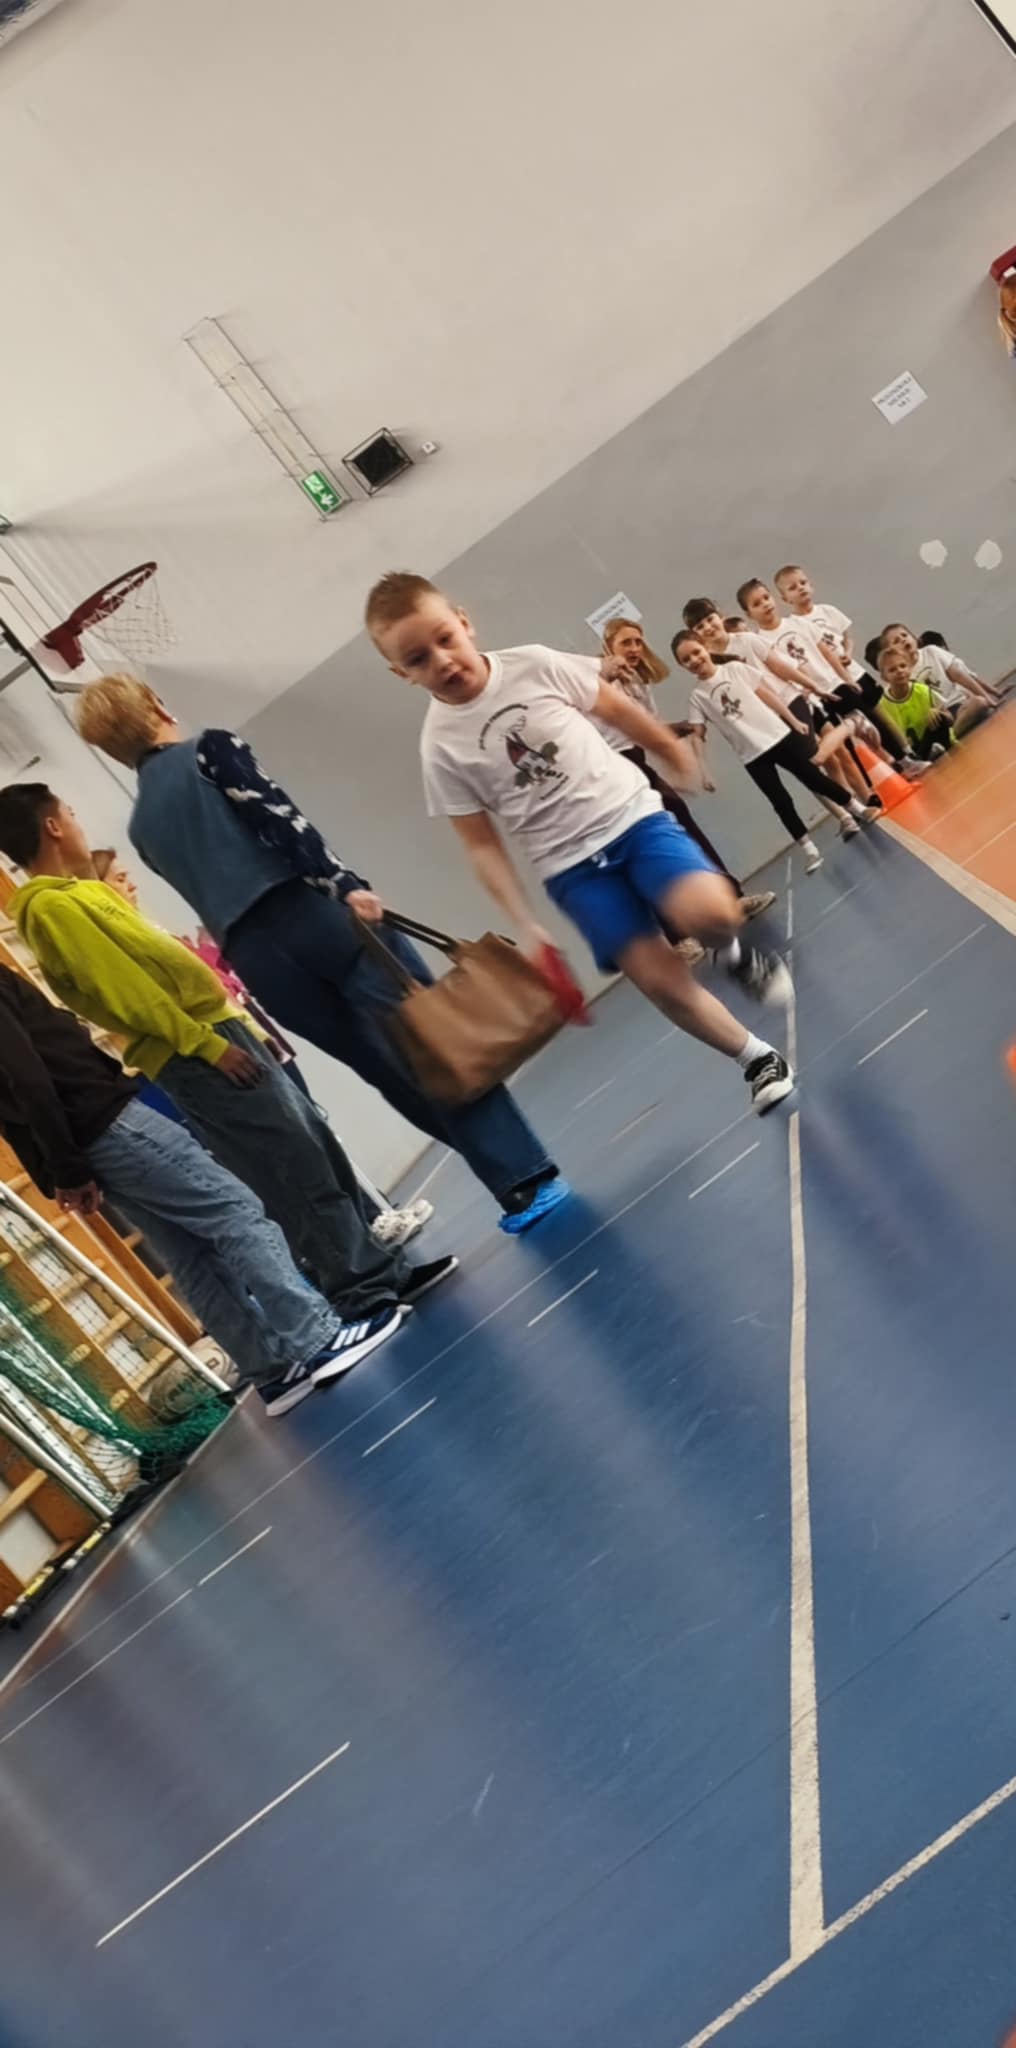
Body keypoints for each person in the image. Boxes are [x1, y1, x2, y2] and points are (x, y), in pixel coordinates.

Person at [74, 676, 569, 1237]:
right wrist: (345, 885)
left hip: (260, 962)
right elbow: (281, 822)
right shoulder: (211, 750)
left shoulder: (140, 829)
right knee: (435, 1044)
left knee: (385, 1070)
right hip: (316, 916)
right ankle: (524, 1178)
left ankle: (508, 1180)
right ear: (154, 705)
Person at [0, 783, 456, 1322]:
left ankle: (381, 1268)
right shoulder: (53, 908)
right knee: (289, 1165)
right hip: (196, 1047)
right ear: (53, 826)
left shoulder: (80, 894)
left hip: (215, 1030)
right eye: (71, 814)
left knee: (312, 1146)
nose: (79, 823)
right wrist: (207, 1046)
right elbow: (131, 992)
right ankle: (360, 1288)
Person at [366, 571, 795, 1116]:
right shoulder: (440, 748)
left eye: (445, 639)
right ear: (401, 673)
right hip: (572, 870)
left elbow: (616, 709)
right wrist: (526, 925)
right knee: (659, 979)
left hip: (632, 819)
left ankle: (733, 954)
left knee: (710, 914)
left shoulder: (533, 664)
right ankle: (756, 1058)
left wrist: (670, 749)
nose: (442, 661)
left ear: (464, 623)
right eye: (418, 659)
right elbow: (481, 846)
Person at [0, 962, 402, 1416]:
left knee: (190, 1255)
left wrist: (56, 1169)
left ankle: (273, 1370)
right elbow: (25, 1077)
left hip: (88, 1142)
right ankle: (318, 1339)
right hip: (109, 1124)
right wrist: (66, 1169)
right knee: (236, 1212)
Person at [598, 618, 776, 922]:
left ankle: (731, 899)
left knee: (681, 822)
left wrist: (678, 730)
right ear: (608, 646)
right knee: (647, 842)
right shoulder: (600, 684)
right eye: (626, 643)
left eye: (638, 642)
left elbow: (648, 727)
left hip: (638, 762)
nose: (634, 648)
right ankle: (679, 931)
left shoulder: (638, 682)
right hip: (616, 771)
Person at [671, 630, 874, 874]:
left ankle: (857, 808)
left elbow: (767, 695)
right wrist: (704, 771)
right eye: (686, 659)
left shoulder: (736, 669)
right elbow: (698, 735)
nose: (694, 660)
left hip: (778, 736)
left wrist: (793, 720)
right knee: (780, 801)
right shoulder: (697, 697)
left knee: (814, 778)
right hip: (752, 755)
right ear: (682, 666)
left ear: (705, 647)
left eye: (696, 652)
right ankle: (809, 849)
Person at [680, 597, 872, 833]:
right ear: (694, 634)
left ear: (720, 617)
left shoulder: (746, 640)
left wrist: (811, 686)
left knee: (819, 758)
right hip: (766, 721)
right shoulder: (705, 661)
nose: (708, 627)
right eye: (700, 627)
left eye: (710, 620)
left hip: (788, 700)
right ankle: (846, 814)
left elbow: (779, 666)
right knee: (807, 770)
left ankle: (851, 734)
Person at [773, 565, 930, 777]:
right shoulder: (795, 625)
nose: (801, 588)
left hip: (853, 673)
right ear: (784, 598)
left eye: (803, 583)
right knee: (861, 724)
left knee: (878, 713)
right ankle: (893, 763)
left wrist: (847, 652)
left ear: (811, 585)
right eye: (793, 587)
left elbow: (847, 636)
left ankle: (908, 752)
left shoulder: (827, 611)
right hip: (833, 681)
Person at [876, 640, 956, 759]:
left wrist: (938, 712)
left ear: (909, 668)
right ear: (884, 677)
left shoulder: (923, 690)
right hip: (913, 750)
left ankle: (938, 749)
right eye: (892, 670)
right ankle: (924, 756)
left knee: (940, 719)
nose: (899, 671)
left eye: (903, 666)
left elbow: (950, 719)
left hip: (935, 738)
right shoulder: (882, 704)